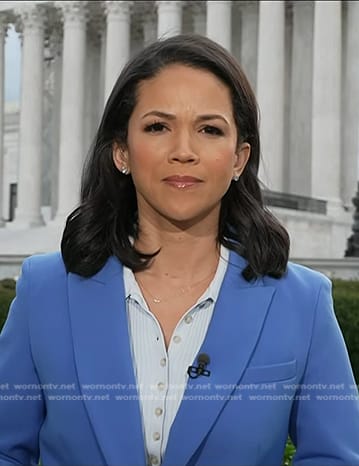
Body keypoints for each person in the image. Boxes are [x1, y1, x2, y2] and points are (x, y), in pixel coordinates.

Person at [0, 34, 358, 466]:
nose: (183, 152)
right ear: (122, 152)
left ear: (239, 158)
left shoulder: (302, 301)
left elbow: (336, 456)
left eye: (209, 129)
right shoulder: (45, 291)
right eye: (158, 127)